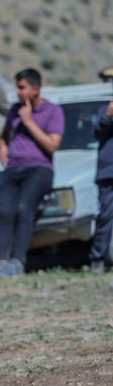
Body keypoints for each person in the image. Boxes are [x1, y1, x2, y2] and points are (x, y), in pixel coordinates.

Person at [0, 69, 65, 278]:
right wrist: (3, 147)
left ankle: (18, 261)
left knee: (23, 209)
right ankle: (1, 262)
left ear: (35, 89)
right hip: (13, 169)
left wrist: (29, 121)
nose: (18, 92)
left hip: (39, 169)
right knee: (5, 212)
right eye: (17, 87)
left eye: (22, 87)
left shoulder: (53, 111)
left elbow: (52, 145)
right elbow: (5, 135)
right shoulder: (15, 110)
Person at [89, 99, 113, 274]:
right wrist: (108, 115)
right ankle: (98, 258)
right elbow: (97, 133)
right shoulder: (105, 110)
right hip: (108, 172)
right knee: (105, 216)